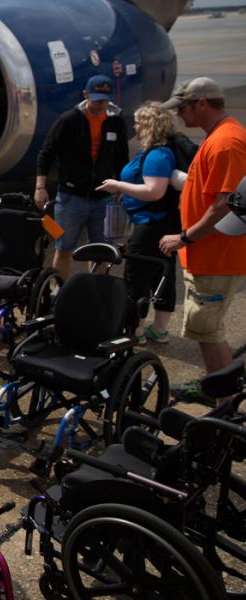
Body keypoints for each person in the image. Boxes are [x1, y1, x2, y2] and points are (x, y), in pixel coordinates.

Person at [158, 77, 246, 403]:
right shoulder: (218, 138)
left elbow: (225, 204)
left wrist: (185, 237)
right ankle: (218, 392)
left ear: (202, 103)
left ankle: (225, 406)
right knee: (205, 330)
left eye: (183, 107)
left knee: (209, 332)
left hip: (215, 256)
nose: (180, 114)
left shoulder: (226, 143)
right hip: (208, 255)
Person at [96, 102, 182, 343]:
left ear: (148, 125)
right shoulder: (162, 151)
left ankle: (135, 330)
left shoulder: (157, 154)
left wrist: (118, 186)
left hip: (149, 226)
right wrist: (130, 191)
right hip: (162, 224)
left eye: (138, 122)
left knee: (136, 277)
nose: (134, 126)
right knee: (163, 275)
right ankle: (160, 329)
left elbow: (154, 191)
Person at [35, 75, 130, 276]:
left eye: (105, 100)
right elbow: (46, 153)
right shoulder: (68, 120)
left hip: (104, 199)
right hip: (72, 198)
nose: (102, 104)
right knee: (64, 247)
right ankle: (59, 292)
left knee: (101, 252)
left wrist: (122, 187)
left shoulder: (116, 122)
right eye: (97, 100)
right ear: (86, 95)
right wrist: (40, 187)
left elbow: (122, 157)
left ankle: (94, 292)